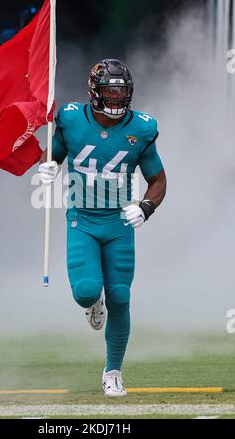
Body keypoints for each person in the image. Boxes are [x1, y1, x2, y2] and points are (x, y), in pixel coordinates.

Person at [38, 59, 167, 396]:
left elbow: (157, 179)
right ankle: (94, 304)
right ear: (94, 91)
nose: (116, 98)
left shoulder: (141, 127)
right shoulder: (70, 118)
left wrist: (146, 207)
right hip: (83, 218)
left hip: (119, 221)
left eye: (121, 92)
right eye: (110, 91)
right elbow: (53, 156)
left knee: (121, 297)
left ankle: (113, 371)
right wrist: (47, 167)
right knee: (85, 290)